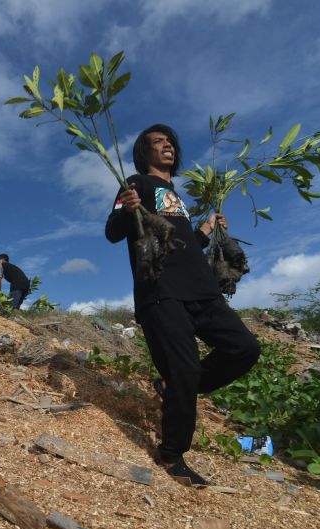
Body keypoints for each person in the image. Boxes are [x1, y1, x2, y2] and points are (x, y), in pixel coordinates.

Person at [105, 124, 260, 485]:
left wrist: (205, 231)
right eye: (158, 142)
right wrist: (128, 210)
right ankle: (172, 454)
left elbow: (180, 242)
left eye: (170, 141)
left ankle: (174, 387)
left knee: (245, 348)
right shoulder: (136, 184)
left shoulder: (176, 196)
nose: (168, 145)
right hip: (162, 291)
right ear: (145, 153)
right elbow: (113, 232)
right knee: (185, 369)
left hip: (203, 291)